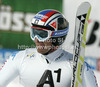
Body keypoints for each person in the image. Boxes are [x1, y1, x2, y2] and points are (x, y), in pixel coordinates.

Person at [0, 9, 98, 87]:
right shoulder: (20, 58)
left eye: (42, 34)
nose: (36, 39)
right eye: (34, 33)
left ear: (57, 37)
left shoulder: (77, 66)